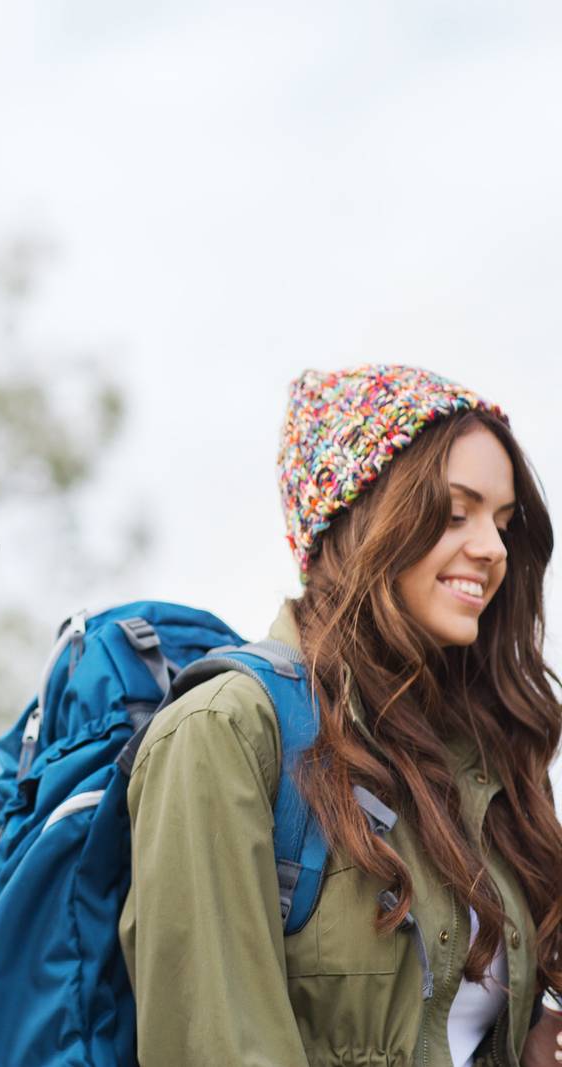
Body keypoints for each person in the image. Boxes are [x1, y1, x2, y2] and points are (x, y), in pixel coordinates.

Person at [120, 365, 562, 1066]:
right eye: (455, 512)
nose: (493, 549)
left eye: (503, 523)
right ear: (358, 516)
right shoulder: (227, 729)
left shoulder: (474, 758)